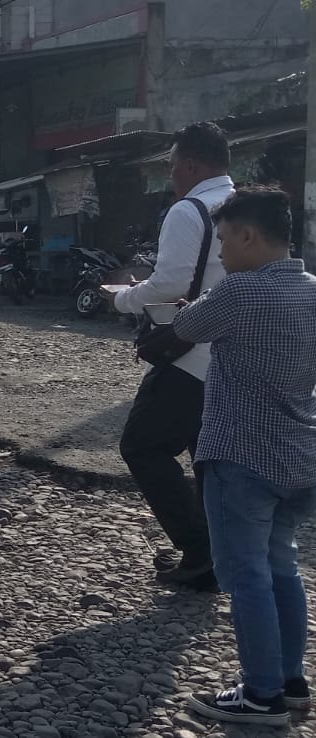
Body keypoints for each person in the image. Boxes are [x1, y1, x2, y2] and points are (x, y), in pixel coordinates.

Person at [173, 187, 316, 726]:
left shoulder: (240, 290)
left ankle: (260, 694)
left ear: (249, 236)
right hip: (300, 455)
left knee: (246, 574)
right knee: (282, 566)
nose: (221, 252)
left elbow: (185, 329)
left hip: (242, 456)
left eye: (225, 240)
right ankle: (291, 682)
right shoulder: (313, 290)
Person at [112, 122, 235, 591]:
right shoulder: (242, 204)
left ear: (190, 164)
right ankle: (217, 552)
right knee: (207, 458)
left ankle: (200, 551)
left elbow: (171, 284)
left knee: (142, 446)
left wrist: (123, 298)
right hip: (231, 357)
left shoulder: (189, 210)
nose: (171, 175)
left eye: (172, 166)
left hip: (190, 355)